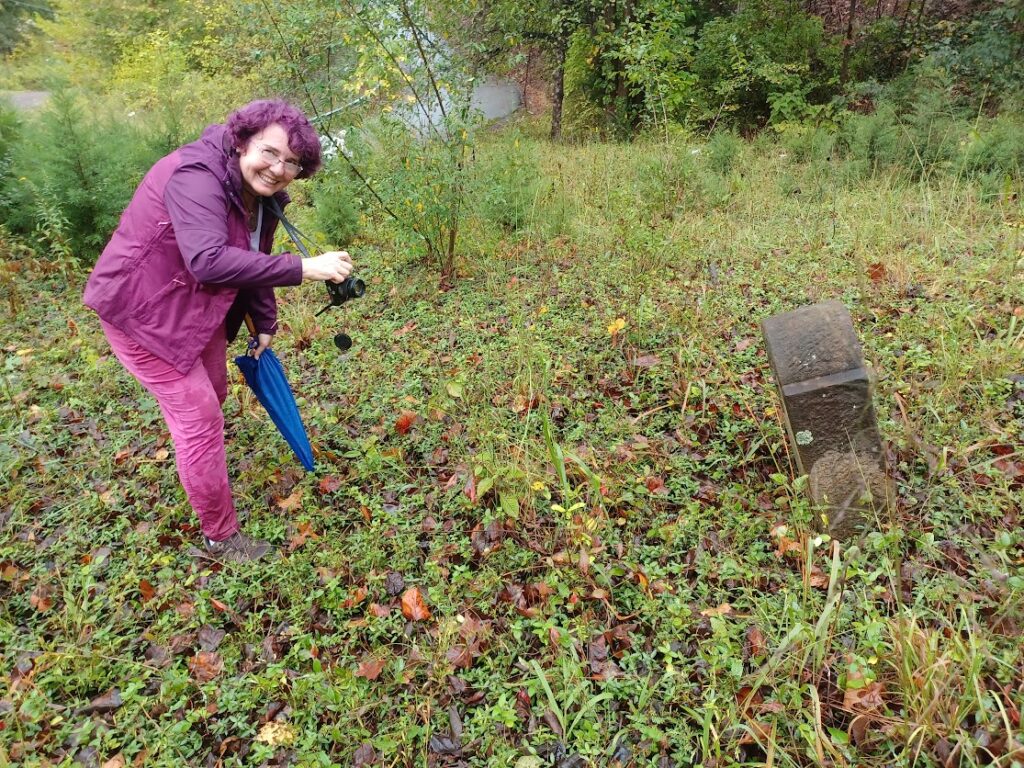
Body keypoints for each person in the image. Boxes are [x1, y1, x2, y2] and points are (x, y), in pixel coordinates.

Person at [83, 99, 352, 563]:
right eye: (270, 153)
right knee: (200, 418)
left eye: (292, 163)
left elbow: (251, 254)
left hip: (194, 308)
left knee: (214, 394)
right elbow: (208, 259)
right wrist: (304, 267)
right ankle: (221, 539)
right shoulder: (195, 177)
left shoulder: (255, 192)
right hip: (141, 313)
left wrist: (263, 319)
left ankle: (195, 456)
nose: (278, 169)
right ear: (243, 139)